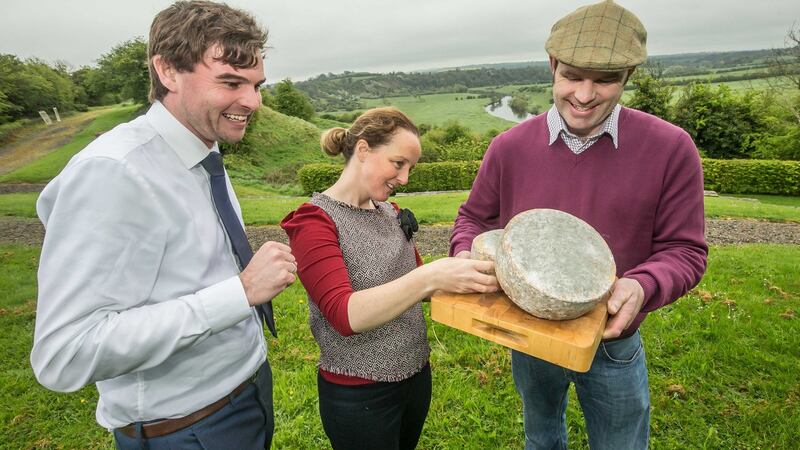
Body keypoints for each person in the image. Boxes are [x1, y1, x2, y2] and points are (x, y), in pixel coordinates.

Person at [30, 2, 295, 448]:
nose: (252, 101)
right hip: (187, 428)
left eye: (256, 85)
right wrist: (240, 293)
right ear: (168, 71)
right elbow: (66, 352)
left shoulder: (202, 148)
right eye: (231, 82)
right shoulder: (114, 172)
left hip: (244, 392)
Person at [450, 1, 708, 448]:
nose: (584, 95)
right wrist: (464, 254)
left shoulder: (670, 148)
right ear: (552, 65)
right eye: (572, 76)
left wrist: (643, 285)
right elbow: (473, 217)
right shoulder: (509, 147)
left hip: (613, 338)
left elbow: (686, 250)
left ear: (627, 76)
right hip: (530, 330)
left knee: (620, 442)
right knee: (542, 437)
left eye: (604, 80)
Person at [280, 107, 499, 450]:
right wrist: (429, 276)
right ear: (364, 150)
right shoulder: (314, 222)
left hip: (415, 376)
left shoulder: (391, 213)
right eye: (399, 164)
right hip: (359, 395)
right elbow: (344, 314)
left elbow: (415, 286)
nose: (406, 179)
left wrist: (468, 274)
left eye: (410, 168)